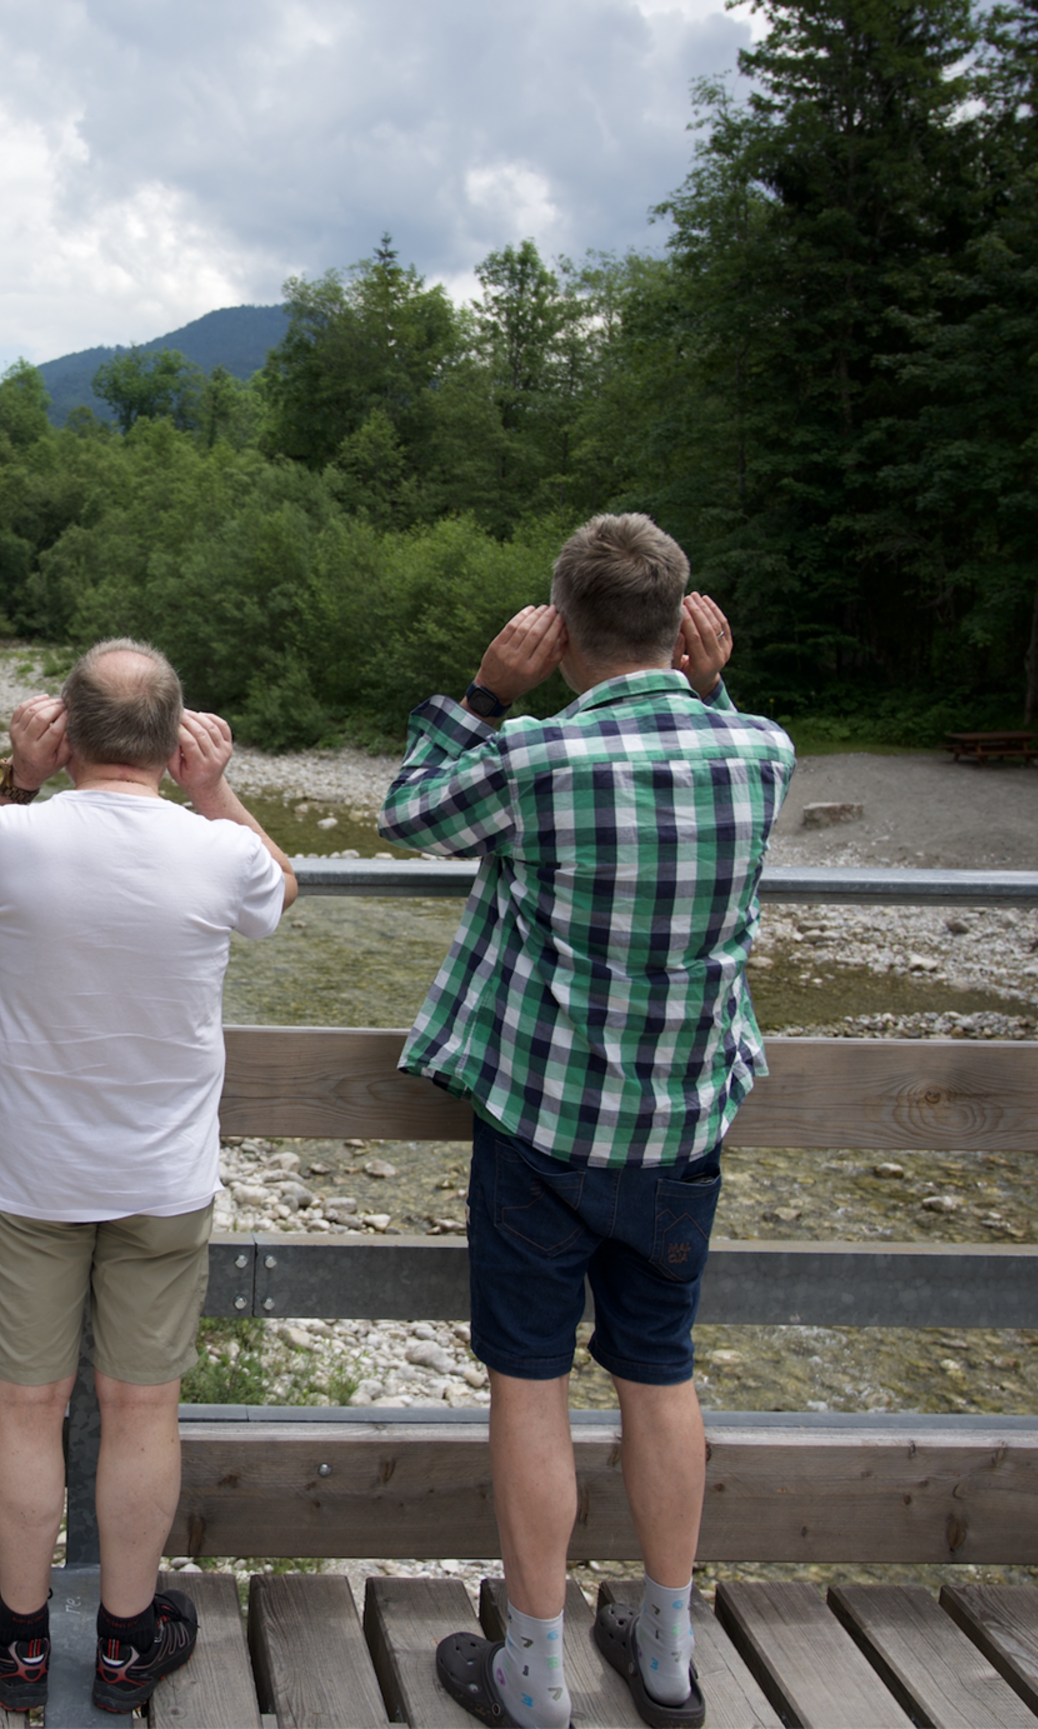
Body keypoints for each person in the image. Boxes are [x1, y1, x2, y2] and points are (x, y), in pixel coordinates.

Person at [380, 516, 793, 1729]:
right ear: (684, 624)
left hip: (544, 1129)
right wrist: (712, 687)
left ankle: (536, 1669)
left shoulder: (535, 759)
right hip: (680, 1130)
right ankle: (665, 1660)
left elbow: (412, 813)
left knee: (530, 1385)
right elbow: (722, 740)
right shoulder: (757, 751)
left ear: (556, 629)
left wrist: (479, 691)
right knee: (659, 1372)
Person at [0, 639, 296, 1716]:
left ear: (66, 730)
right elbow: (284, 889)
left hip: (32, 1171)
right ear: (175, 737)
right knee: (141, 1405)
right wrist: (216, 787)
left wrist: (15, 773)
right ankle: (129, 1644)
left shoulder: (10, 835)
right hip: (161, 1175)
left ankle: (23, 1639)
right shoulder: (215, 849)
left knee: (27, 1404)